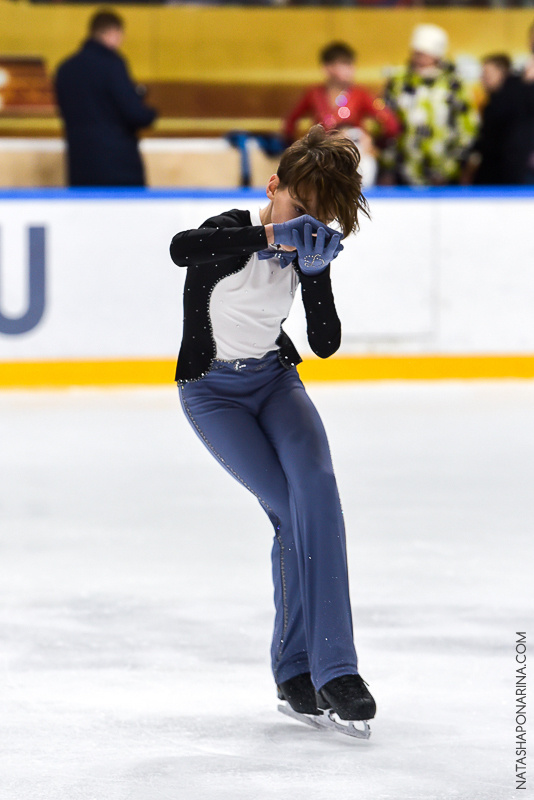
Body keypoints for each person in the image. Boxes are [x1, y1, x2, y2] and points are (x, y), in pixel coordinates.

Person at [170, 125, 376, 737]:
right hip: (212, 396)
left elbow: (326, 342)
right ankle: (294, 669)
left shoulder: (307, 252)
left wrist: (314, 273)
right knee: (288, 509)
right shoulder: (230, 232)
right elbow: (181, 248)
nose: (307, 223)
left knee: (319, 496)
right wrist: (267, 234)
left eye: (319, 215)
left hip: (275, 385)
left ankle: (333, 670)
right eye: (299, 206)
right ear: (273, 185)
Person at [55, 10, 157, 187]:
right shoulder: (113, 65)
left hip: (79, 166)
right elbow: (134, 113)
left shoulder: (65, 69)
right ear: (114, 32)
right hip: (119, 167)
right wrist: (151, 112)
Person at [380, 24, 478, 186]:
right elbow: (387, 122)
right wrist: (387, 166)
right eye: (416, 52)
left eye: (424, 53)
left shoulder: (453, 84)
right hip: (404, 169)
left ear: (437, 54)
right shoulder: (398, 81)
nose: (419, 57)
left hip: (445, 172)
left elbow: (467, 127)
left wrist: (455, 165)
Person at [283, 42, 400, 152]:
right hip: (321, 156)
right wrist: (300, 148)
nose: (351, 69)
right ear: (327, 68)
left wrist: (373, 143)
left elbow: (390, 123)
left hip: (353, 154)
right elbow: (290, 123)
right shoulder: (314, 94)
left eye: (351, 64)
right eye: (344, 64)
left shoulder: (360, 94)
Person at [469, 55, 531, 185]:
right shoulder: (496, 99)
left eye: (487, 74)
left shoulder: (507, 101)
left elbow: (491, 139)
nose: (483, 79)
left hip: (508, 173)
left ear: (502, 73)